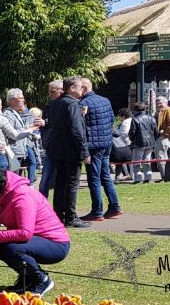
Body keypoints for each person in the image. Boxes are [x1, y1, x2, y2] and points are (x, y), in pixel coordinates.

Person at [0, 166, 70, 296]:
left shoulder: (22, 196)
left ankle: (41, 280)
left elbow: (25, 233)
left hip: (55, 243)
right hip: (31, 241)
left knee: (12, 248)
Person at [43, 77, 90, 228]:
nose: (82, 90)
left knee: (60, 182)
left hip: (57, 149)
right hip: (70, 149)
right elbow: (77, 130)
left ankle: (58, 214)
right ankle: (70, 216)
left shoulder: (55, 104)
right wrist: (84, 152)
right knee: (71, 183)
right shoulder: (71, 104)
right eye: (80, 87)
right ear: (72, 88)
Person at [79, 79, 122, 221]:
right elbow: (111, 120)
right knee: (105, 176)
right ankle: (114, 206)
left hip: (93, 145)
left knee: (94, 178)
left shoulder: (84, 104)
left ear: (83, 88)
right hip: (106, 143)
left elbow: (80, 125)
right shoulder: (105, 100)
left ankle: (97, 211)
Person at [4, 89, 39, 185]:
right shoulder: (8, 114)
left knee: (16, 182)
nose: (23, 100)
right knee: (12, 183)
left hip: (18, 152)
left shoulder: (15, 113)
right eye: (21, 98)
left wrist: (27, 128)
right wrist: (28, 130)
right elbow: (9, 133)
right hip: (13, 152)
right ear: (12, 100)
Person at [37, 80, 62, 199]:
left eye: (52, 91)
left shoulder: (69, 104)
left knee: (62, 181)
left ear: (61, 90)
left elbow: (63, 122)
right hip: (50, 146)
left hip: (62, 147)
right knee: (45, 179)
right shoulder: (49, 106)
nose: (49, 94)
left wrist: (45, 122)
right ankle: (42, 206)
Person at [128, 103, 156, 184]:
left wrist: (131, 139)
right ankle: (148, 177)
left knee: (137, 161)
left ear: (135, 110)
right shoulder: (151, 118)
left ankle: (138, 178)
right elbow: (155, 131)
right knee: (147, 160)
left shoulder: (135, 119)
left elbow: (132, 132)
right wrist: (153, 139)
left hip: (139, 143)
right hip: (150, 142)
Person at [154, 96, 170, 173]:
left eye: (160, 103)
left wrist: (165, 133)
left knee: (161, 157)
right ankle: (165, 175)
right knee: (161, 156)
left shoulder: (168, 110)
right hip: (161, 137)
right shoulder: (161, 111)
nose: (158, 105)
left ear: (166, 103)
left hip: (164, 137)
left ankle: (165, 176)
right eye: (157, 103)